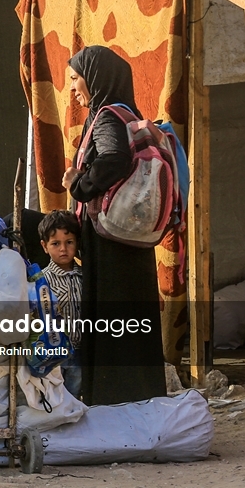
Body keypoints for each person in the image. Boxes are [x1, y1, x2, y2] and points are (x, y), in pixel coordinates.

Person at [62, 45, 166, 405]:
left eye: (75, 79)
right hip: (127, 236)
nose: (73, 88)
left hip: (109, 238)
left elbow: (114, 160)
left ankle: (112, 399)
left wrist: (78, 183)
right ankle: (139, 397)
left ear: (95, 78)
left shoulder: (106, 117)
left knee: (113, 315)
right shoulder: (126, 112)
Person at [38, 210, 83, 398]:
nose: (63, 249)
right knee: (55, 397)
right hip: (55, 353)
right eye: (56, 244)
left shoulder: (85, 276)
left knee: (75, 394)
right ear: (45, 246)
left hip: (81, 351)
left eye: (69, 242)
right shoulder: (42, 280)